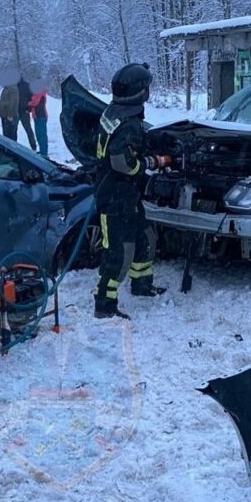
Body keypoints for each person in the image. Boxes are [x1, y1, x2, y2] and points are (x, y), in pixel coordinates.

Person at [90, 63, 172, 319]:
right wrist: (149, 163)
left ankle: (142, 284)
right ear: (140, 92)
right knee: (117, 251)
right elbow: (121, 162)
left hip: (126, 195)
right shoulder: (128, 124)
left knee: (145, 237)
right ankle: (104, 304)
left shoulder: (114, 112)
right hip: (114, 196)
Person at [0, 78, 29, 144]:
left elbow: (13, 103)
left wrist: (10, 115)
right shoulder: (6, 89)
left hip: (10, 116)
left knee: (10, 137)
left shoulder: (12, 89)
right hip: (5, 116)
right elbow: (5, 101)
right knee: (6, 137)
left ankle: (11, 152)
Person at [26, 84, 50, 155]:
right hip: (38, 115)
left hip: (40, 116)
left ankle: (44, 153)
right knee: (39, 135)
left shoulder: (39, 92)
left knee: (41, 135)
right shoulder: (39, 92)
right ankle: (42, 150)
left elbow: (34, 102)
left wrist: (28, 103)